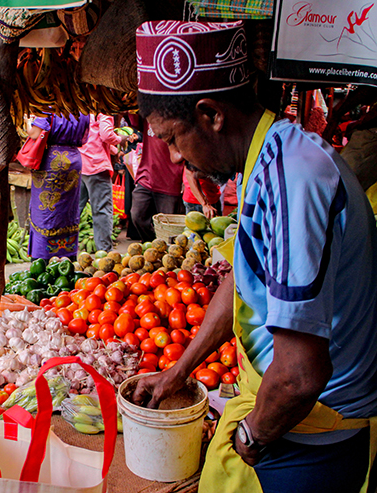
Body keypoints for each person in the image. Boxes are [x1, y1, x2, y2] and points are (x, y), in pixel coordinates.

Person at [130, 21, 377, 493]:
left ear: (211, 115)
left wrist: (251, 436)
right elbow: (244, 278)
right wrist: (177, 370)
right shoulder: (270, 156)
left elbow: (300, 376)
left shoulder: (293, 182)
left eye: (172, 137)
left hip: (309, 442)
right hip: (290, 426)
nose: (174, 158)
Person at [25, 113, 90, 260]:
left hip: (51, 160)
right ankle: (67, 254)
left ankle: (43, 257)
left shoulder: (50, 107)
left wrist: (28, 122)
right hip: (73, 160)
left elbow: (35, 133)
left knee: (46, 210)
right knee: (69, 210)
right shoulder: (83, 110)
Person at [78, 114, 129, 253]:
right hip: (96, 166)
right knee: (101, 211)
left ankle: (64, 247)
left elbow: (93, 137)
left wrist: (113, 150)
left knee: (75, 209)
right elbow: (106, 135)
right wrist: (120, 139)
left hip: (80, 163)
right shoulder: (104, 110)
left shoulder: (84, 109)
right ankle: (104, 253)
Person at [128, 113, 183, 242]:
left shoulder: (178, 120)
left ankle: (162, 249)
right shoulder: (148, 116)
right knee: (137, 215)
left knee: (168, 228)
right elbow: (133, 118)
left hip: (171, 181)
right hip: (146, 177)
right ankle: (152, 244)